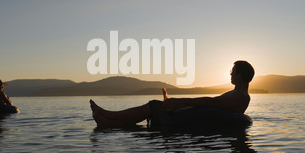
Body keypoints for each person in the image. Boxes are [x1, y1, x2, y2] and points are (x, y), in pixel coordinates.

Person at [90, 60, 255, 128]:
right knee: (155, 107)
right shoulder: (236, 93)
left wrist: (181, 102)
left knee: (153, 106)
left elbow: (212, 102)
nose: (230, 74)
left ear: (239, 75)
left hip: (197, 118)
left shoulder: (241, 96)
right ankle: (109, 122)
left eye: (232, 72)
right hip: (195, 114)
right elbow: (213, 103)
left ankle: (109, 116)